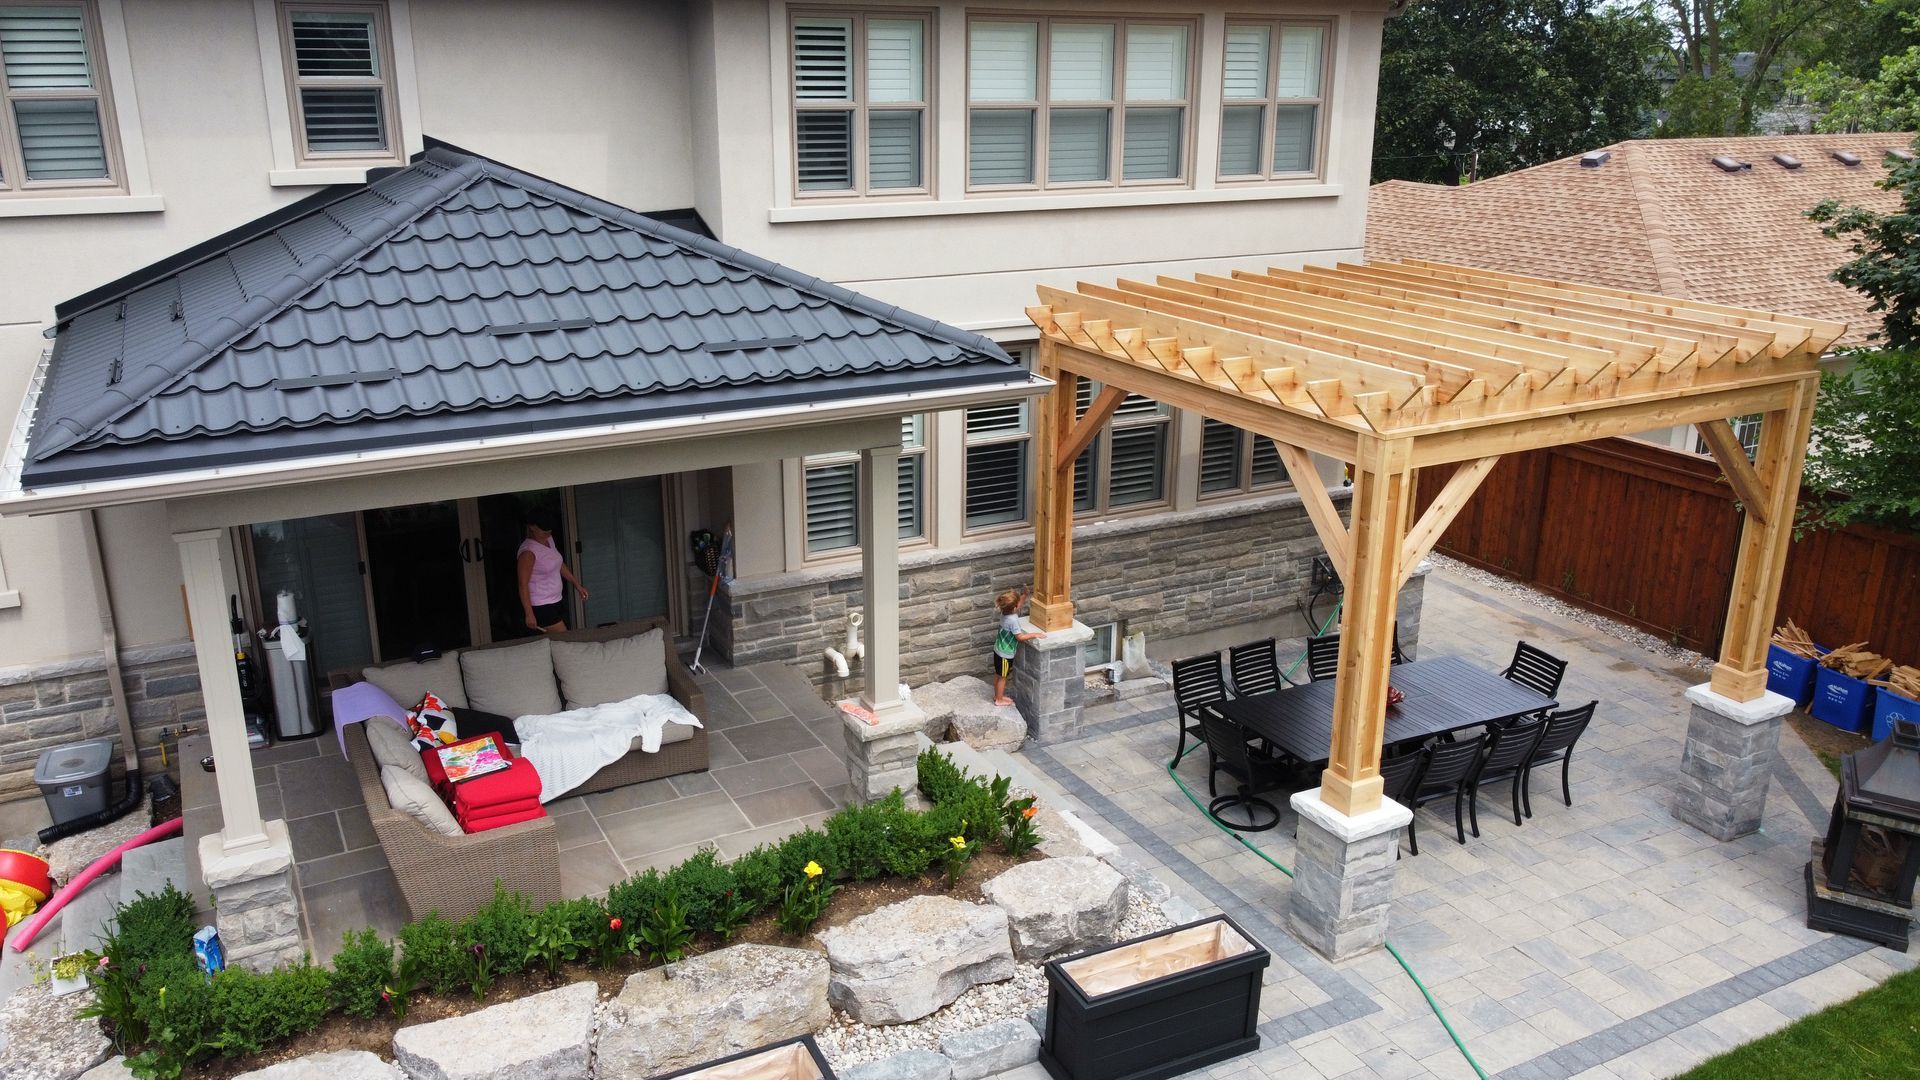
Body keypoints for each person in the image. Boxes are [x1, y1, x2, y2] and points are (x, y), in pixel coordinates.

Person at [518, 510, 587, 633]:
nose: (548, 534)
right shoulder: (528, 552)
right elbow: (523, 584)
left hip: (556, 599)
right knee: (563, 638)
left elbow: (558, 564)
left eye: (550, 531)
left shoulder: (549, 540)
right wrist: (529, 613)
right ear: (532, 527)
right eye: (544, 532)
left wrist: (577, 584)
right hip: (541, 605)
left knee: (555, 640)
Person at [991, 585, 1042, 706]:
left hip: (998, 650)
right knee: (1003, 677)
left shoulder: (1004, 613)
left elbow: (1017, 606)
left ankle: (997, 695)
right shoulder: (1012, 620)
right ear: (1013, 608)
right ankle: (999, 700)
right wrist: (1035, 634)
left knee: (999, 675)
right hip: (1005, 654)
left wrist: (1024, 595)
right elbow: (1019, 637)